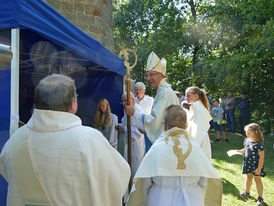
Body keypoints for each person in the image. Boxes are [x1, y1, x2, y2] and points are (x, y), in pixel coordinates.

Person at [0, 74, 130, 206]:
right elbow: (119, 181)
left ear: (37, 103)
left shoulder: (14, 142)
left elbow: (9, 173)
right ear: (74, 104)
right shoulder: (90, 140)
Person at [126, 105, 222, 206]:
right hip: (193, 199)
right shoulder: (195, 148)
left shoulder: (157, 148)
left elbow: (145, 183)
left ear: (164, 126)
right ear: (186, 126)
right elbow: (204, 182)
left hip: (161, 199)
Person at [125, 51, 179, 151]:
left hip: (164, 146)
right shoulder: (162, 91)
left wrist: (134, 113)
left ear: (161, 76)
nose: (148, 78)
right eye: (147, 75)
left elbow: (155, 122)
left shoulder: (165, 93)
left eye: (151, 75)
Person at [235, 123, 266, 206]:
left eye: (249, 132)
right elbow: (245, 150)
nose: (247, 134)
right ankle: (247, 192)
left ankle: (260, 198)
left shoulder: (259, 144)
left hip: (256, 165)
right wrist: (238, 151)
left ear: (255, 132)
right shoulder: (247, 140)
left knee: (258, 180)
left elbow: (262, 157)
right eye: (246, 132)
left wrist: (259, 168)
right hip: (248, 163)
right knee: (248, 177)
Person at [116, 92, 146, 178]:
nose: (123, 103)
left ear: (133, 100)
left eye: (125, 100)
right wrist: (121, 126)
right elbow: (126, 123)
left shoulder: (138, 111)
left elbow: (138, 132)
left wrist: (124, 129)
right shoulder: (127, 110)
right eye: (122, 101)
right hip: (127, 145)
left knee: (134, 173)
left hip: (135, 148)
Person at [185, 86, 212, 159]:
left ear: (196, 96)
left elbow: (198, 130)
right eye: (185, 96)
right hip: (197, 140)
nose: (186, 98)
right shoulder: (195, 107)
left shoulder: (198, 109)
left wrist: (192, 145)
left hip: (199, 141)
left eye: (188, 96)